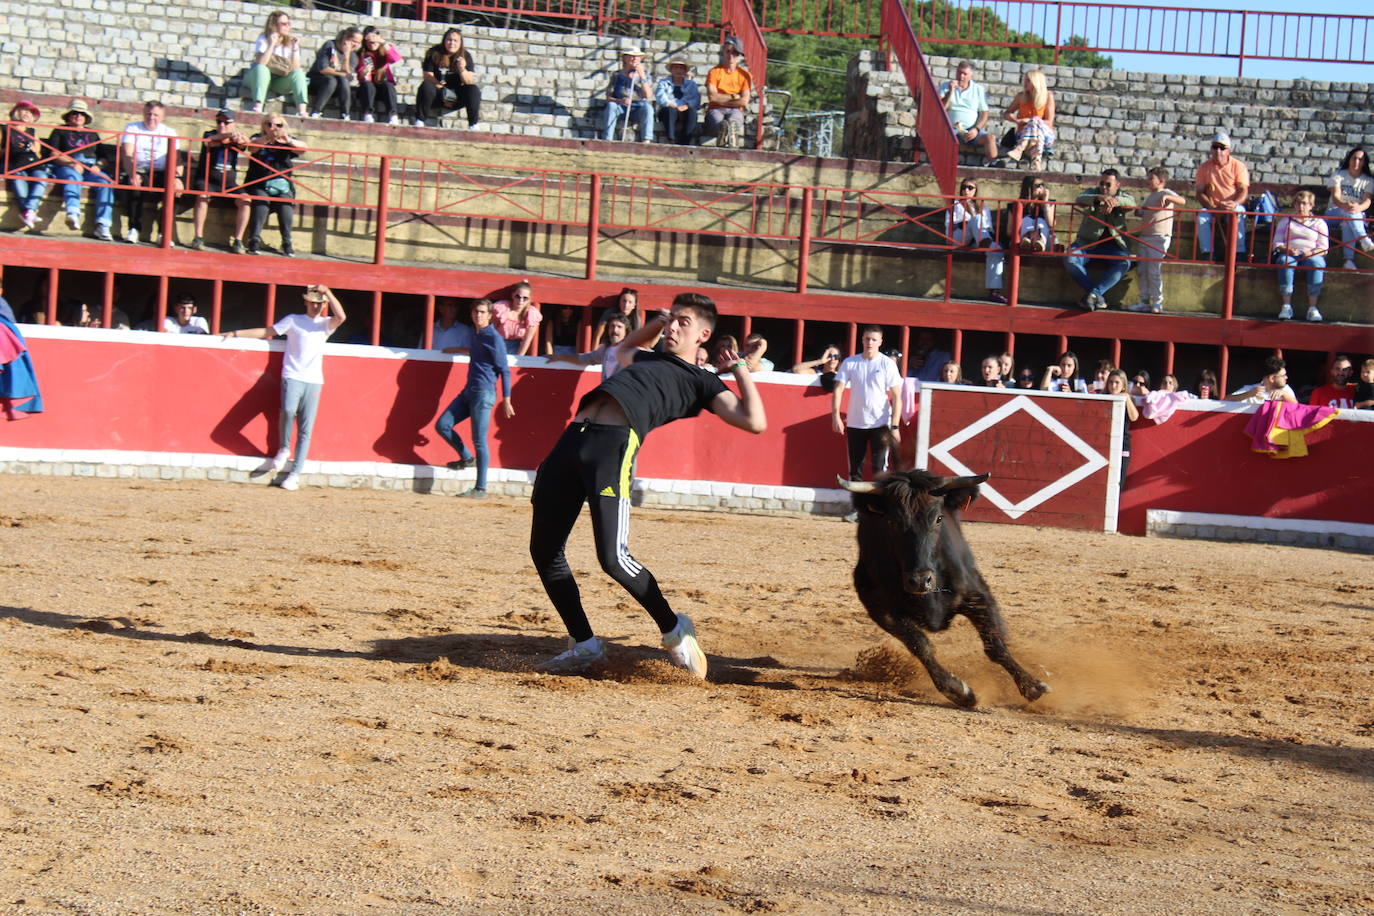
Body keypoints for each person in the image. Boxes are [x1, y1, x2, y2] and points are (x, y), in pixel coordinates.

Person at [527, 292, 766, 676]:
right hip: (572, 438)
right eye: (672, 320)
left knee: (613, 559)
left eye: (682, 323)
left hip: (612, 446)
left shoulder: (702, 381)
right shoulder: (647, 356)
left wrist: (739, 369)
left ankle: (674, 629)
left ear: (703, 335)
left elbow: (754, 421)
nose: (672, 327)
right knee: (544, 549)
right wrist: (658, 321)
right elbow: (623, 349)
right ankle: (584, 645)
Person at [222, 285, 346, 491]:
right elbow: (268, 331)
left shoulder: (325, 324)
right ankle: (284, 448)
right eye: (312, 302)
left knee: (306, 428)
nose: (315, 306)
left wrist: (328, 293)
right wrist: (236, 333)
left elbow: (341, 316)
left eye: (319, 303)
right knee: (288, 411)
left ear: (324, 305)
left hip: (314, 379)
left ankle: (295, 473)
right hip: (293, 375)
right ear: (306, 302)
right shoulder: (293, 320)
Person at [433, 298, 514, 499]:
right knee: (442, 425)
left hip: (484, 393)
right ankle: (467, 459)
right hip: (470, 390)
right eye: (475, 312)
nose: (478, 315)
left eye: (481, 312)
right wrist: (457, 350)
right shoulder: (477, 334)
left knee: (479, 440)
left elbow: (504, 369)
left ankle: (481, 488)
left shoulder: (493, 337)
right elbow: (478, 354)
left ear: (489, 315)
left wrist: (507, 398)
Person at [831, 326, 902, 481]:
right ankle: (857, 505)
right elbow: (838, 389)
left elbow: (897, 396)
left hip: (881, 422)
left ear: (880, 342)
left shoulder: (887, 364)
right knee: (855, 470)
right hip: (856, 422)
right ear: (862, 339)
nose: (870, 342)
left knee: (879, 468)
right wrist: (835, 416)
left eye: (873, 339)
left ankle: (878, 505)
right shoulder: (850, 362)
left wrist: (895, 426)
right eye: (867, 339)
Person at [1066, 168, 1137, 311]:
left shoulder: (1123, 196)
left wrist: (1113, 201)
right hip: (1087, 243)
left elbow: (1132, 203)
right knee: (1070, 260)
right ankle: (1096, 295)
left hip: (1115, 246)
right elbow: (1079, 198)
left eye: (1108, 185)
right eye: (1102, 183)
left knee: (1124, 263)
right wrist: (1099, 199)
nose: (1103, 187)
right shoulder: (1093, 192)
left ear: (1117, 185)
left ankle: (1093, 294)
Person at [46, 99, 115, 240]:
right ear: (69, 116)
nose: (78, 116)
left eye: (82, 114)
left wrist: (98, 166)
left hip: (90, 166)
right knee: (73, 177)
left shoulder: (93, 134)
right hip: (67, 166)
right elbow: (53, 154)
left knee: (106, 182)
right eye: (75, 113)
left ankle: (103, 224)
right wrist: (71, 163)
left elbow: (104, 158)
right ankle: (72, 213)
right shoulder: (60, 130)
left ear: (86, 118)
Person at [240, 115, 305, 257]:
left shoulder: (287, 140)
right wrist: (268, 138)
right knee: (262, 201)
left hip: (281, 183)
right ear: (263, 125)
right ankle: (254, 239)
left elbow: (304, 148)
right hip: (259, 182)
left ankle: (287, 242)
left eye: (278, 125)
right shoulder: (258, 137)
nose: (273, 128)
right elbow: (251, 147)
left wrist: (288, 140)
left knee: (285, 203)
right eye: (269, 124)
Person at [119, 100, 181, 245]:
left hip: (162, 172)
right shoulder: (132, 127)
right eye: (148, 114)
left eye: (155, 115)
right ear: (143, 114)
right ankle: (133, 229)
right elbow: (127, 154)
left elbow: (177, 158)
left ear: (163, 117)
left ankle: (163, 233)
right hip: (140, 169)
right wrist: (132, 173)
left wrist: (177, 178)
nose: (151, 118)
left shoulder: (169, 132)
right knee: (134, 186)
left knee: (174, 191)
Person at [188, 109, 250, 252]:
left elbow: (245, 144)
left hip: (228, 184)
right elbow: (212, 141)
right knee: (203, 196)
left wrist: (242, 139)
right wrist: (230, 135)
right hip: (207, 180)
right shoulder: (209, 134)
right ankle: (198, 237)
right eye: (219, 121)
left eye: (226, 122)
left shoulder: (236, 137)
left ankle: (238, 240)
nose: (222, 124)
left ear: (233, 124)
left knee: (246, 201)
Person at [1128, 166, 1186, 314]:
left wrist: (1168, 198)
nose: (1148, 181)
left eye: (1150, 178)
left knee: (1154, 271)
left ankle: (1157, 302)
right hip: (1145, 236)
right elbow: (1144, 212)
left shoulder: (1164, 193)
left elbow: (1182, 200)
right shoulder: (1150, 196)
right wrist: (1138, 211)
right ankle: (1144, 300)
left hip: (1159, 237)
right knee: (1142, 270)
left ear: (1161, 180)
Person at [1272, 190, 1328, 322]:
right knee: (1285, 262)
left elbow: (1324, 247)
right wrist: (1288, 249)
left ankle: (1312, 308)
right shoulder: (1286, 221)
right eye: (1298, 203)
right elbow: (1277, 242)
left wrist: (1312, 253)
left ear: (1311, 205)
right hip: (1290, 252)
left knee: (1317, 264)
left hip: (1311, 253)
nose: (1301, 206)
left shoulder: (1319, 223)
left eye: (1304, 203)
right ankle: (1286, 305)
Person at [947, 177, 1005, 303]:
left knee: (997, 250)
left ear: (976, 190)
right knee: (977, 220)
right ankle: (983, 241)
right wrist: (971, 222)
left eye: (970, 188)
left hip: (979, 236)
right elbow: (950, 226)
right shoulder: (955, 204)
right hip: (959, 236)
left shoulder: (984, 207)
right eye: (963, 187)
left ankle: (994, 291)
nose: (966, 191)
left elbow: (989, 227)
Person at [1194, 131, 1249, 261]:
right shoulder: (1204, 167)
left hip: (1232, 205)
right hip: (1213, 206)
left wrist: (1234, 203)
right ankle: (1207, 253)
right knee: (1202, 215)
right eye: (1215, 147)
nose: (1218, 151)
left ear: (1229, 150)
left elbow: (1243, 190)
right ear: (1211, 149)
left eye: (1222, 148)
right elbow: (1200, 193)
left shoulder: (1238, 166)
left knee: (1238, 212)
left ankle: (1239, 252)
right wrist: (1212, 207)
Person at [243, 9, 308, 117]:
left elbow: (295, 69)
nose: (287, 26)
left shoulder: (290, 42)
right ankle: (258, 106)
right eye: (283, 23)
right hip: (258, 78)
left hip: (279, 80)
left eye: (288, 23)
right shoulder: (263, 38)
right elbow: (261, 63)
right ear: (274, 24)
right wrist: (271, 44)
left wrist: (295, 49)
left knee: (299, 74)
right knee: (261, 69)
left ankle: (302, 110)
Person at [415, 28, 480, 128]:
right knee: (426, 86)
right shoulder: (433, 53)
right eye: (449, 40)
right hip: (437, 92)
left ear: (460, 43)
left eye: (455, 41)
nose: (452, 43)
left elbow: (469, 81)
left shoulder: (465, 56)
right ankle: (420, 120)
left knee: (473, 90)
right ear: (444, 41)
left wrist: (462, 69)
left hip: (456, 95)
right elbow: (427, 75)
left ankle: (473, 124)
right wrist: (443, 91)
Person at [939, 60, 999, 166]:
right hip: (951, 129)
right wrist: (950, 92)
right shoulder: (946, 86)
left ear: (971, 76)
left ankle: (994, 164)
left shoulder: (978, 90)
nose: (961, 76)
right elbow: (941, 108)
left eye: (964, 74)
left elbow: (984, 114)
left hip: (970, 131)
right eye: (959, 73)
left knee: (990, 137)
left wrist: (976, 129)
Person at [1324, 147, 1373, 268]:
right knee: (1349, 214)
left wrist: (1358, 208)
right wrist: (1345, 206)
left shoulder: (1368, 180)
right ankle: (1363, 238)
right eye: (1354, 158)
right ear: (1349, 159)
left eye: (1360, 160)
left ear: (1364, 162)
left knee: (1347, 222)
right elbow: (1335, 197)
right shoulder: (1339, 175)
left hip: (1355, 215)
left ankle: (1348, 261)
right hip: (1333, 213)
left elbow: (1367, 201)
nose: (1357, 162)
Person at [4, 100, 49, 231]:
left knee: (42, 177)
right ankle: (27, 211)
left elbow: (38, 153)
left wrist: (31, 148)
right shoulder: (6, 128)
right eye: (24, 110)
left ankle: (28, 210)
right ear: (16, 112)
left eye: (30, 112)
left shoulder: (32, 131)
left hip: (32, 163)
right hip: (14, 162)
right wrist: (10, 149)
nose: (26, 114)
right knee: (19, 175)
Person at [546, 314, 630, 381]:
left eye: (619, 327)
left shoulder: (631, 350)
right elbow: (584, 358)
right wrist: (559, 357)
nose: (615, 330)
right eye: (612, 326)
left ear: (626, 331)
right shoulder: (605, 349)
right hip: (609, 393)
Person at [1001, 69, 1055, 171]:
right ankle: (1036, 160)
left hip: (1044, 135)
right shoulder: (1021, 96)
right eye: (1025, 80)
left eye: (1028, 81)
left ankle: (1020, 148)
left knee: (1035, 120)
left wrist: (1030, 120)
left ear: (1036, 82)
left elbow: (1049, 122)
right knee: (1034, 122)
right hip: (1024, 134)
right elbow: (1007, 113)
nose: (1025, 83)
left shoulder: (1048, 96)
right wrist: (1017, 121)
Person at [308, 27, 362, 121]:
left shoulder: (353, 56)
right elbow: (323, 69)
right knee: (331, 80)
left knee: (343, 80)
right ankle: (316, 111)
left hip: (338, 87)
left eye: (358, 43)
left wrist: (346, 55)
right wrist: (342, 74)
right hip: (318, 80)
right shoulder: (330, 45)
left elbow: (348, 76)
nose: (356, 45)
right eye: (354, 41)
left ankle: (345, 114)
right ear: (345, 38)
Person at [704, 42, 752, 148]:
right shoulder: (714, 72)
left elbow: (744, 101)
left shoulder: (744, 75)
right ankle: (725, 137)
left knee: (733, 122)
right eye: (728, 51)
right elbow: (712, 97)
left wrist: (720, 97)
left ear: (739, 54)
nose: (731, 55)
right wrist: (734, 97)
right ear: (723, 53)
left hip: (736, 110)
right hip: (716, 109)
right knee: (719, 122)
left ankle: (730, 139)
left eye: (734, 52)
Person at [603, 47, 652, 142]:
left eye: (637, 57)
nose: (634, 59)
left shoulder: (646, 75)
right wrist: (620, 101)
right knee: (611, 106)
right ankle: (607, 139)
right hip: (621, 107)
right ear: (625, 58)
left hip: (638, 108)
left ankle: (646, 139)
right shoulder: (616, 75)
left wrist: (642, 76)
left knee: (648, 108)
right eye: (631, 56)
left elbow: (648, 95)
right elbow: (608, 98)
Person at [356, 27, 403, 125]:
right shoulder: (361, 53)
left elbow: (395, 58)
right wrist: (364, 74)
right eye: (369, 41)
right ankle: (367, 114)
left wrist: (382, 42)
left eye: (374, 40)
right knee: (367, 85)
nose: (372, 43)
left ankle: (393, 116)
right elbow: (360, 72)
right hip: (368, 87)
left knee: (388, 86)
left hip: (382, 83)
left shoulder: (385, 49)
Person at [1103, 368, 1139, 495]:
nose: (1113, 386)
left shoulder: (1128, 399)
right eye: (1111, 382)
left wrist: (1127, 398)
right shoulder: (1102, 397)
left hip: (1123, 444)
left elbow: (1134, 417)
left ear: (1123, 385)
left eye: (1117, 382)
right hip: (1104, 444)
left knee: (1119, 481)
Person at [654, 59, 700, 145]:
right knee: (670, 111)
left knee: (692, 112)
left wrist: (686, 106)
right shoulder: (663, 83)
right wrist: (674, 107)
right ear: (671, 70)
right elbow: (661, 98)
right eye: (675, 68)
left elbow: (695, 99)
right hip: (668, 110)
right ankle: (671, 139)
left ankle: (685, 141)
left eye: (681, 68)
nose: (678, 70)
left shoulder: (691, 84)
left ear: (685, 71)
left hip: (684, 109)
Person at [491, 282, 541, 356]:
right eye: (518, 296)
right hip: (497, 344)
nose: (521, 300)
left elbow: (527, 340)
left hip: (517, 347)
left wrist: (519, 357)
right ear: (512, 295)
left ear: (529, 299)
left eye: (525, 298)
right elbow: (491, 331)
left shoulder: (532, 314)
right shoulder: (502, 308)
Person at [1227, 356, 1296, 404]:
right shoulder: (1251, 389)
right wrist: (1249, 394)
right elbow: (1226, 400)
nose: (1286, 377)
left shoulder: (1286, 389)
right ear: (1271, 378)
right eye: (1283, 375)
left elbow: (1298, 407)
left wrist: (1285, 395)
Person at [1013, 174, 1056, 253]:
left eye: (1043, 185)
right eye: (1038, 185)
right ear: (1029, 187)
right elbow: (1010, 231)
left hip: (1046, 240)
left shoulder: (1050, 204)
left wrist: (1045, 202)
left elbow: (1051, 224)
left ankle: (1040, 241)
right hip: (1020, 239)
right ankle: (1026, 240)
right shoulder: (1018, 204)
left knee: (1040, 220)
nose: (1042, 188)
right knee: (1027, 219)